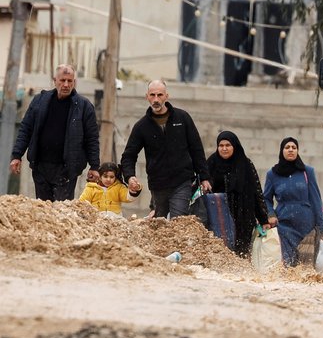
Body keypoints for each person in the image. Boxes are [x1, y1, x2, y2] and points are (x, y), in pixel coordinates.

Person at [120, 80, 211, 219]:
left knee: (178, 220)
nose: (156, 99)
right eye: (152, 95)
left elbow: (196, 148)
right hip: (158, 184)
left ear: (166, 96)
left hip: (182, 181)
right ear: (147, 97)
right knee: (159, 222)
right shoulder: (141, 126)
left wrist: (204, 177)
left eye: (160, 95)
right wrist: (129, 176)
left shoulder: (182, 118)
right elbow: (129, 156)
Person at [10, 63, 100, 201]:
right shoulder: (40, 101)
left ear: (74, 82)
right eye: (62, 80)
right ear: (55, 80)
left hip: (66, 171)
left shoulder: (84, 107)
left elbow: (92, 138)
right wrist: (17, 155)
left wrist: (94, 166)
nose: (65, 84)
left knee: (61, 213)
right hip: (41, 167)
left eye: (69, 81)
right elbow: (26, 129)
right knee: (43, 211)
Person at [263, 137, 323, 266]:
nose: (291, 150)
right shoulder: (272, 174)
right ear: (282, 151)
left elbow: (316, 199)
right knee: (288, 264)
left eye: (294, 147)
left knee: (306, 265)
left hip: (306, 226)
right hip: (284, 225)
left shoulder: (307, 172)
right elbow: (266, 198)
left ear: (297, 151)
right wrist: (270, 214)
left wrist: (320, 225)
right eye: (287, 148)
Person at [207, 131, 270, 257]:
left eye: (228, 145)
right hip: (219, 217)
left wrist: (263, 219)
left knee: (240, 252)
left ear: (234, 146)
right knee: (220, 251)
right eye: (221, 145)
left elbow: (256, 192)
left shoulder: (245, 164)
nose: (224, 148)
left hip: (243, 217)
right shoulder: (211, 163)